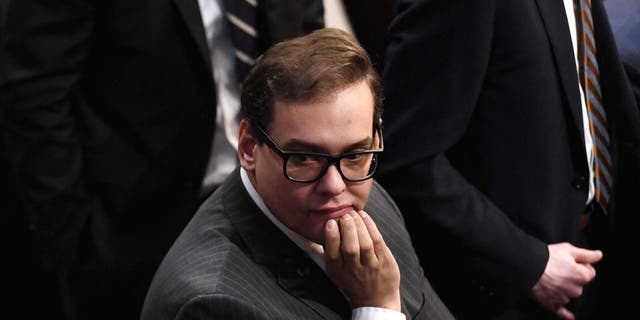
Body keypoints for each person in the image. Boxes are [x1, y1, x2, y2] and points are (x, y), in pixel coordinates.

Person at [0, 0, 322, 319]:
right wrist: (76, 242)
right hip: (131, 230)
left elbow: (306, 45)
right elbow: (34, 93)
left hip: (269, 211)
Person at [141, 28, 453, 320]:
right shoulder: (212, 303)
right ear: (249, 148)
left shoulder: (370, 202)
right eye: (304, 158)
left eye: (355, 154)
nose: (335, 185)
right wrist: (378, 308)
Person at [377, 0, 640, 319]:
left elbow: (591, 98)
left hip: (598, 259)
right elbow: (405, 159)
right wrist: (529, 265)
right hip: (511, 287)